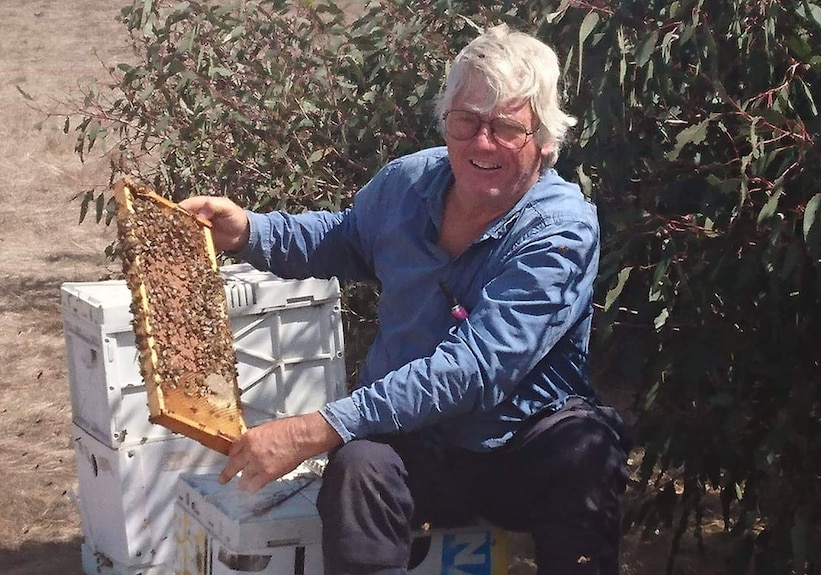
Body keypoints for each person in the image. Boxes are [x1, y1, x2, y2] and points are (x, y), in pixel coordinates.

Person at [180, 23, 629, 575]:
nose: (481, 143)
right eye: (466, 121)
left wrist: (313, 428)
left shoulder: (560, 230)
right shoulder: (408, 183)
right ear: (446, 121)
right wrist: (248, 231)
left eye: (506, 128)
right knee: (359, 468)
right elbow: (343, 239)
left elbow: (476, 367)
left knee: (587, 449)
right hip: (418, 447)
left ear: (544, 139)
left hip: (520, 445)